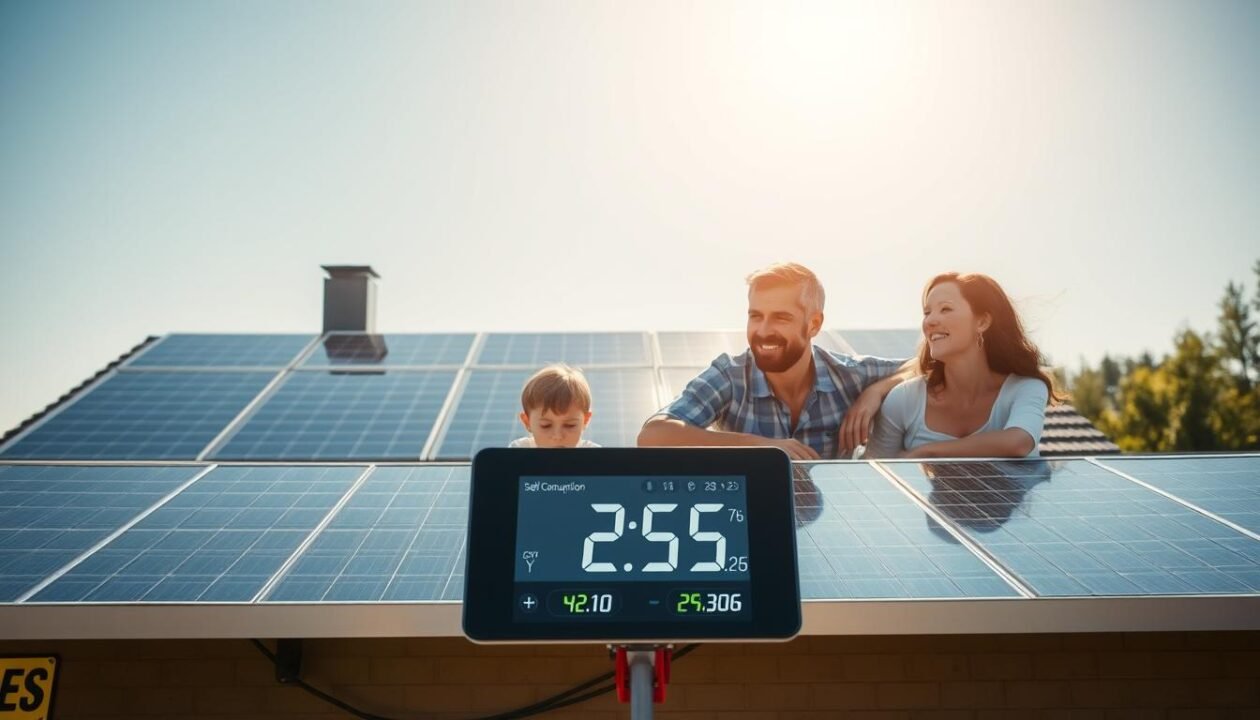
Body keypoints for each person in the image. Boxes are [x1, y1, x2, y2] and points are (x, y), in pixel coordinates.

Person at [638, 262, 909, 459]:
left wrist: (874, 392)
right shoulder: (730, 376)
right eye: (756, 316)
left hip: (830, 524)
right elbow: (653, 436)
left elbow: (922, 365)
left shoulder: (848, 374)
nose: (764, 330)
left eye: (781, 317)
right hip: (749, 519)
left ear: (814, 324)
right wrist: (757, 445)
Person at [864, 272, 1061, 459]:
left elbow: (1018, 442)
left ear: (982, 322)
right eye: (927, 312)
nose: (930, 320)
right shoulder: (904, 399)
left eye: (946, 309)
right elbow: (875, 475)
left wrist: (927, 453)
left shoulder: (1025, 388)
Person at [509, 364, 601, 448]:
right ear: (527, 422)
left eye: (570, 425)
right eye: (546, 426)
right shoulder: (519, 450)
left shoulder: (596, 456)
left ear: (585, 421)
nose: (558, 436)